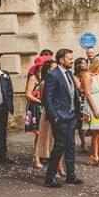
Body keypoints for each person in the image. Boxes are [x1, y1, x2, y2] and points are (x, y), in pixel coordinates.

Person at [42, 49, 84, 188]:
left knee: (71, 146)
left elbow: (73, 94)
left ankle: (71, 176)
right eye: (69, 59)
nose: (72, 61)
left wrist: (78, 112)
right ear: (61, 60)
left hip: (71, 116)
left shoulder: (69, 73)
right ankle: (50, 177)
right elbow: (47, 98)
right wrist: (54, 116)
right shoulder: (52, 75)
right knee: (59, 146)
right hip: (59, 117)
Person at [34, 60, 63, 176]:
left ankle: (60, 165)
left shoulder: (61, 80)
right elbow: (43, 100)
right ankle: (54, 167)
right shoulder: (44, 83)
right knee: (50, 140)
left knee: (61, 140)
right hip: (50, 113)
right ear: (48, 70)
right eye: (54, 68)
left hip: (61, 111)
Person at [82, 57, 99, 167]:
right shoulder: (87, 75)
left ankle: (94, 155)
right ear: (96, 64)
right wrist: (95, 109)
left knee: (98, 132)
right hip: (92, 103)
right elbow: (87, 93)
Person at [25, 55, 51, 169]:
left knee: (46, 133)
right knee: (38, 133)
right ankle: (37, 157)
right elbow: (28, 95)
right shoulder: (33, 78)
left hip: (44, 106)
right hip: (36, 106)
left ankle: (44, 154)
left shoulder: (46, 77)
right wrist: (40, 101)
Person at [73, 58, 90, 153]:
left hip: (88, 97)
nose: (86, 64)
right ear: (79, 65)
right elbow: (80, 88)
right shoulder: (75, 77)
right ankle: (83, 143)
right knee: (81, 123)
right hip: (80, 100)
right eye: (84, 63)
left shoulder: (88, 74)